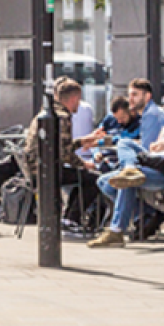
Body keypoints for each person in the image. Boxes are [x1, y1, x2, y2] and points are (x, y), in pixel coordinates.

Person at [88, 102, 164, 248]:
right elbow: (96, 141)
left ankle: (116, 230)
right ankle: (146, 209)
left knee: (127, 179)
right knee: (104, 180)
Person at [26, 78, 102, 230]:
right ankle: (71, 219)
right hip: (47, 171)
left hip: (35, 169)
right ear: (73, 99)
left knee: (82, 177)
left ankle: (69, 218)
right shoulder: (62, 117)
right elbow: (65, 154)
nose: (79, 104)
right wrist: (84, 164)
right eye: (78, 100)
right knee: (94, 179)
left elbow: (58, 146)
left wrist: (83, 141)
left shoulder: (47, 112)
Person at [127, 79, 164, 146]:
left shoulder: (151, 115)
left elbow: (146, 150)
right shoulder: (153, 111)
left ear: (147, 96)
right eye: (129, 95)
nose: (130, 99)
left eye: (134, 94)